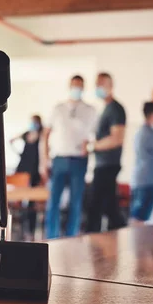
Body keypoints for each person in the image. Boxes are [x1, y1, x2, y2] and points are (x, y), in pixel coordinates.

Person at [40, 75, 97, 239]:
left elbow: (94, 137)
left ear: (84, 88)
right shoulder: (58, 109)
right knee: (54, 202)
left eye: (80, 86)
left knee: (76, 202)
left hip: (79, 159)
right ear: (69, 86)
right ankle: (52, 237)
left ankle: (72, 237)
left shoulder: (90, 110)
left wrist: (89, 147)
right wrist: (44, 161)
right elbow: (46, 135)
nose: (77, 89)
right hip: (59, 159)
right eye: (74, 85)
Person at [86, 72, 127, 233]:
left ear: (110, 86)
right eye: (97, 84)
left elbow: (117, 138)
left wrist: (92, 146)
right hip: (102, 164)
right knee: (107, 207)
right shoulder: (105, 109)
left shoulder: (116, 109)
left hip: (108, 165)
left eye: (101, 84)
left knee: (97, 207)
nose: (98, 87)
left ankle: (93, 240)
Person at [11, 115, 43, 240]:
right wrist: (19, 153)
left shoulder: (41, 135)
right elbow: (11, 140)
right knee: (19, 201)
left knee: (31, 202)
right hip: (22, 170)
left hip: (34, 171)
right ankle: (21, 229)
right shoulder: (26, 134)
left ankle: (30, 230)